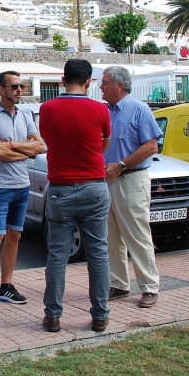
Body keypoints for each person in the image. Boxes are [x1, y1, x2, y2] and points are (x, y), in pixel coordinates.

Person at [39, 59, 112, 333]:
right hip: (94, 185)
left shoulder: (47, 109)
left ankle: (53, 315)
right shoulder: (100, 109)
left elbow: (48, 140)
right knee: (98, 253)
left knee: (57, 255)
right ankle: (100, 315)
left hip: (61, 189)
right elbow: (104, 142)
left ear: (62, 79)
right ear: (89, 81)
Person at [0, 70, 45, 316]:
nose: (19, 90)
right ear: (1, 90)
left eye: (21, 86)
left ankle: (5, 286)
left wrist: (15, 145)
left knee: (15, 237)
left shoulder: (26, 115)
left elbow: (40, 146)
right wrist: (25, 151)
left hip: (21, 185)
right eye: (14, 86)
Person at [100, 65, 161, 308]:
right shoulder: (105, 112)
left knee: (137, 234)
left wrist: (121, 165)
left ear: (119, 85)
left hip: (131, 179)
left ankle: (149, 287)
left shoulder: (139, 109)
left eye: (105, 83)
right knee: (111, 235)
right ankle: (119, 284)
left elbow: (151, 146)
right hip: (107, 181)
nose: (101, 87)